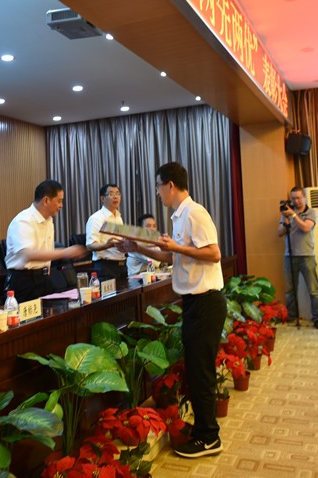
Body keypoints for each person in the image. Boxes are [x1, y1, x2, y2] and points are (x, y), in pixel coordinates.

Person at [120, 162, 225, 458]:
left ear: (170, 185)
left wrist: (176, 248)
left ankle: (209, 438)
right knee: (196, 370)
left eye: (158, 186)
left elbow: (213, 253)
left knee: (201, 372)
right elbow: (171, 257)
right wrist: (139, 248)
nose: (157, 193)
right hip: (194, 303)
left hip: (206, 302)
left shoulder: (195, 213)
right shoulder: (178, 216)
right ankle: (204, 430)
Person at [5, 179, 89, 302]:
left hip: (44, 278)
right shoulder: (23, 221)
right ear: (46, 200)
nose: (61, 205)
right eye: (59, 201)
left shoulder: (49, 220)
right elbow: (27, 254)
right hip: (24, 281)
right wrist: (64, 252)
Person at [277, 186, 318, 328]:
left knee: (313, 289)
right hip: (289, 256)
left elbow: (305, 228)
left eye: (298, 198)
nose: (295, 201)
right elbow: (279, 233)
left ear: (304, 197)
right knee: (290, 290)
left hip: (307, 255)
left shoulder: (311, 212)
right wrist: (286, 222)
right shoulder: (286, 213)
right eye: (293, 198)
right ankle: (292, 316)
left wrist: (293, 216)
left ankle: (317, 317)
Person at [86, 183, 127, 280]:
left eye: (117, 193)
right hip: (105, 267)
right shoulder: (96, 218)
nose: (115, 197)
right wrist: (107, 245)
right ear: (102, 198)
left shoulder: (118, 217)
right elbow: (90, 245)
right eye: (111, 194)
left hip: (122, 265)